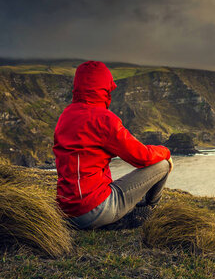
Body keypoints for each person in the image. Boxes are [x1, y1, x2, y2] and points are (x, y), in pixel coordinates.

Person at [53, 61, 172, 229]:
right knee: (162, 165)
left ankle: (116, 218)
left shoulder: (66, 116)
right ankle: (150, 209)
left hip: (66, 211)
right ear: (104, 88)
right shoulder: (104, 119)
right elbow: (142, 157)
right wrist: (165, 151)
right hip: (94, 209)